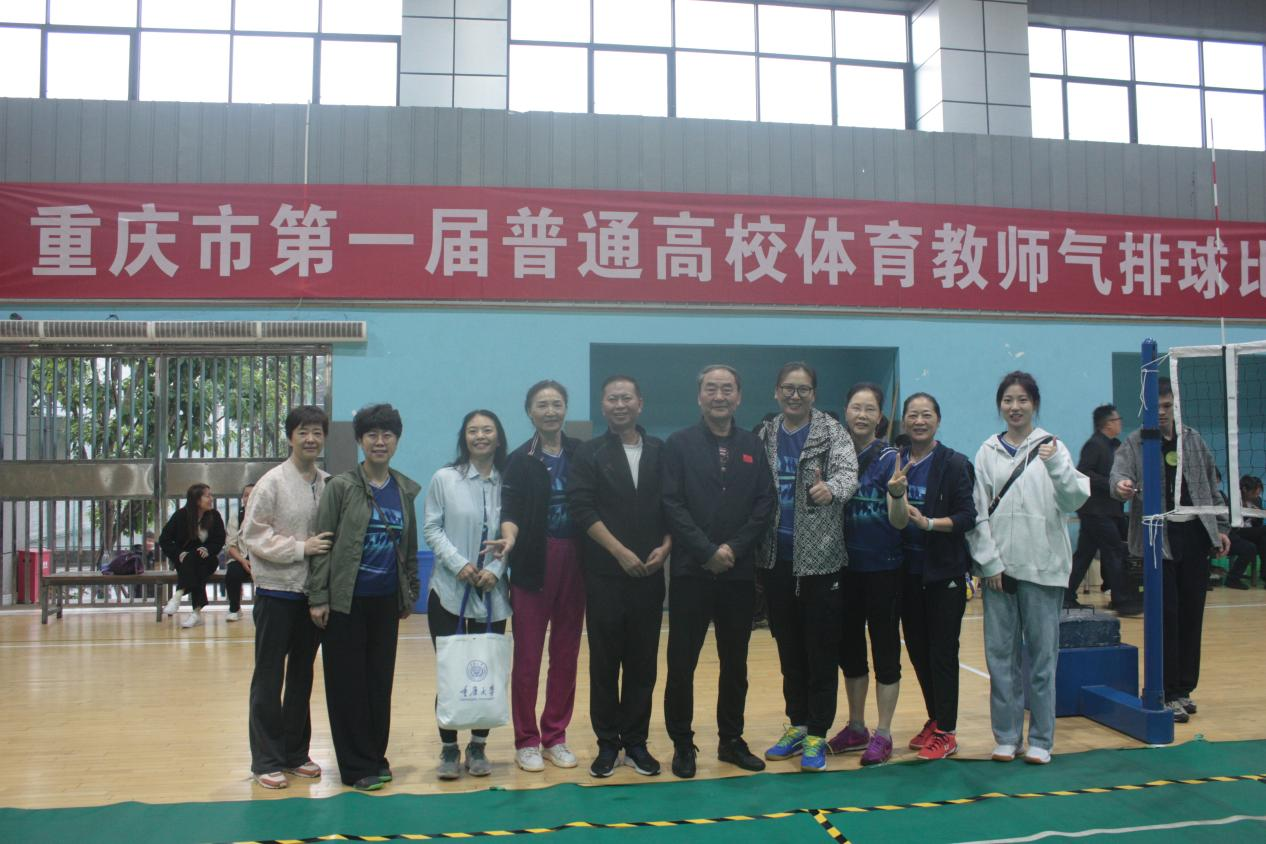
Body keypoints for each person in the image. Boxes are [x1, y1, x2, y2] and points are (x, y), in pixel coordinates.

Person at [968, 371, 1089, 765]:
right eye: (1008, 400)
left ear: (1034, 404)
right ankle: (1006, 736)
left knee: (1041, 660)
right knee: (1000, 659)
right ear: (999, 405)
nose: (1015, 407)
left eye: (1022, 400)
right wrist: (989, 563)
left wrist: (1056, 467)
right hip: (999, 574)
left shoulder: (1053, 447)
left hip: (1044, 569)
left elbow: (1073, 501)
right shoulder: (987, 451)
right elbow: (977, 512)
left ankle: (1041, 739)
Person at [662, 364, 775, 778]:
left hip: (737, 574)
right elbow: (671, 503)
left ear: (738, 397)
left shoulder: (752, 445)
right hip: (691, 572)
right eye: (711, 388)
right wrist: (706, 550)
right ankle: (682, 743)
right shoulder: (678, 444)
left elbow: (764, 503)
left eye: (727, 389)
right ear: (700, 397)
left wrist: (732, 549)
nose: (719, 396)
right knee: (682, 664)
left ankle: (731, 740)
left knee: (735, 663)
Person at [308, 403, 421, 791]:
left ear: (397, 441)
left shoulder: (404, 489)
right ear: (360, 441)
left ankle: (376, 755)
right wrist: (318, 596)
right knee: (347, 685)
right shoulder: (340, 487)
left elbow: (408, 547)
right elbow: (322, 544)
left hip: (385, 601)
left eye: (387, 434)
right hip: (346, 601)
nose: (380, 441)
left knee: (378, 683)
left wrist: (408, 594)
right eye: (372, 435)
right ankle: (355, 767)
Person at [567, 375, 672, 778]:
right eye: (612, 398)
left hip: (649, 576)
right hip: (604, 577)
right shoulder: (589, 453)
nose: (620, 404)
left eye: (627, 397)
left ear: (640, 403)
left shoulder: (660, 450)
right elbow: (582, 508)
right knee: (605, 663)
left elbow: (674, 504)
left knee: (643, 663)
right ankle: (608, 744)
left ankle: (637, 742)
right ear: (603, 405)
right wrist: (619, 551)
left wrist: (666, 546)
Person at [755, 363, 857, 773]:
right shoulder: (765, 434)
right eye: (788, 388)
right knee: (788, 649)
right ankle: (797, 723)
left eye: (802, 389)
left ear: (813, 394)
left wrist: (831, 488)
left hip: (821, 560)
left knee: (820, 650)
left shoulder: (832, 433)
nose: (794, 395)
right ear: (776, 392)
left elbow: (848, 473)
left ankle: (817, 731)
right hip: (775, 560)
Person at [1110, 378, 1230, 722]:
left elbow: (1211, 487)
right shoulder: (1134, 443)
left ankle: (1184, 689)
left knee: (1192, 615)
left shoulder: (1194, 440)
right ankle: (1164, 689)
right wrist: (1122, 486)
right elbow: (1117, 478)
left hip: (1195, 535)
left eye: (1166, 406)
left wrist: (1221, 528)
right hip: (1157, 540)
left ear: (1176, 407)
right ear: (1144, 408)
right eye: (1155, 407)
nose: (1161, 413)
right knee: (1166, 616)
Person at [241, 405, 332, 790]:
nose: (310, 439)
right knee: (269, 676)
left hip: (312, 595)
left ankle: (296, 753)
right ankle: (265, 759)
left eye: (317, 432)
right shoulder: (272, 483)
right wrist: (300, 548)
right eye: (303, 432)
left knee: (301, 675)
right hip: (276, 592)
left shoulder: (328, 483)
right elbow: (253, 536)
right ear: (290, 437)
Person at [496, 381, 585, 773]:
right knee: (528, 656)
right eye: (542, 405)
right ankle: (526, 740)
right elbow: (510, 510)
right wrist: (509, 538)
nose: (550, 411)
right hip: (533, 562)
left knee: (566, 655)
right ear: (529, 412)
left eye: (557, 404)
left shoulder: (583, 454)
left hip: (577, 562)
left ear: (566, 409)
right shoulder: (519, 460)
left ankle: (555, 736)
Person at [423, 410, 512, 780]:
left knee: (485, 670)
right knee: (452, 670)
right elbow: (432, 528)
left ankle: (478, 745)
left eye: (487, 430)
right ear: (464, 437)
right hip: (448, 591)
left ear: (498, 437)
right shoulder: (445, 478)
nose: (480, 436)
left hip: (493, 594)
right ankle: (448, 747)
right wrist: (459, 564)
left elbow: (515, 533)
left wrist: (495, 570)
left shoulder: (509, 481)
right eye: (473, 430)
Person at [893, 393, 978, 761]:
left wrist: (928, 523)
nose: (919, 421)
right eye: (912, 415)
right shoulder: (896, 460)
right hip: (907, 573)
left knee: (942, 653)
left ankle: (947, 731)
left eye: (926, 415)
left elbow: (967, 517)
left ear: (937, 421)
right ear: (904, 421)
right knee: (918, 651)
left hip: (944, 573)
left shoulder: (955, 464)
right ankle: (935, 717)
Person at [831, 382, 906, 766]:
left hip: (883, 570)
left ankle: (885, 732)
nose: (862, 415)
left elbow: (900, 521)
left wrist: (897, 495)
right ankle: (857, 726)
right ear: (846, 411)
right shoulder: (836, 455)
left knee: (885, 651)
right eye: (856, 408)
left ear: (880, 417)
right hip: (844, 569)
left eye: (870, 409)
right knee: (850, 652)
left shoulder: (892, 458)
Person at [1066, 405, 1136, 613]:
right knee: (1114, 551)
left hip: (1108, 510)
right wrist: (1111, 484)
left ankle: (1066, 596)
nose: (1120, 423)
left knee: (1084, 555)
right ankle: (1122, 600)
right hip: (1096, 511)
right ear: (1108, 423)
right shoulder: (1094, 445)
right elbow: (1083, 472)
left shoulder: (1116, 446)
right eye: (1117, 419)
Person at [160, 483, 227, 629]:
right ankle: (196, 613)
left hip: (208, 558)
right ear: (196, 499)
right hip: (185, 561)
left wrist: (208, 549)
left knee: (197, 561)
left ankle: (178, 595)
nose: (211, 499)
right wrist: (178, 553)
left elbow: (220, 539)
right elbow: (164, 539)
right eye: (207, 496)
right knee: (196, 567)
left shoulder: (214, 516)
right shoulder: (180, 516)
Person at [1226, 475, 1265, 589]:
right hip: (1235, 531)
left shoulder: (1256, 501)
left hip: (1250, 533)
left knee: (1264, 539)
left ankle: (1264, 575)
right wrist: (1247, 514)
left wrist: (1257, 516)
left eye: (1258, 493)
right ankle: (1233, 578)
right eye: (1254, 493)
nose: (1256, 496)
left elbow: (1258, 525)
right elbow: (1231, 523)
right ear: (1244, 490)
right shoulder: (1233, 500)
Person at [224, 483, 255, 622]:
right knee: (232, 573)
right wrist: (243, 561)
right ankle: (234, 608)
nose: (248, 498)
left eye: (253, 495)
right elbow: (230, 545)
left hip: (261, 557)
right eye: (246, 495)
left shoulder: (267, 516)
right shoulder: (236, 517)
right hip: (240, 557)